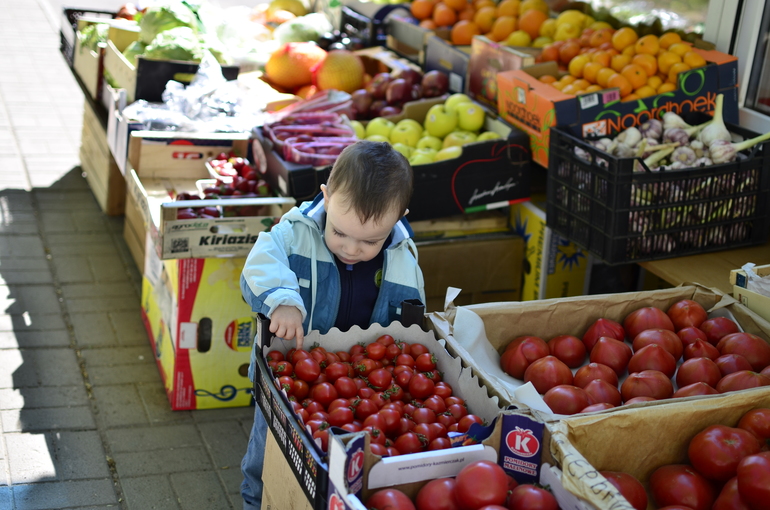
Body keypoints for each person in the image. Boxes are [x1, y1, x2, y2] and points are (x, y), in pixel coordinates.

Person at [238, 140, 426, 510]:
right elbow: (259, 265)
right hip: (288, 380)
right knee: (266, 458)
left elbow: (408, 326)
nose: (352, 249)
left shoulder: (404, 260)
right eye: (340, 233)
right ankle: (255, 501)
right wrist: (283, 300)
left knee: (333, 471)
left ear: (399, 217)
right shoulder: (295, 233)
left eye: (370, 240)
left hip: (355, 388)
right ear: (327, 194)